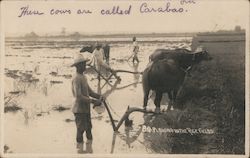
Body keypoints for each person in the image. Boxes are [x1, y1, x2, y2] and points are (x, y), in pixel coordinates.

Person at [71, 54, 103, 147]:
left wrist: (99, 96)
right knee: (80, 130)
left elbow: (90, 91)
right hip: (79, 110)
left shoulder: (83, 77)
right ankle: (79, 149)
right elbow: (78, 96)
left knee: (89, 129)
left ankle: (89, 149)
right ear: (78, 66)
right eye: (83, 64)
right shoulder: (76, 78)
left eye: (85, 64)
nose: (85, 66)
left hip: (85, 108)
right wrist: (93, 101)